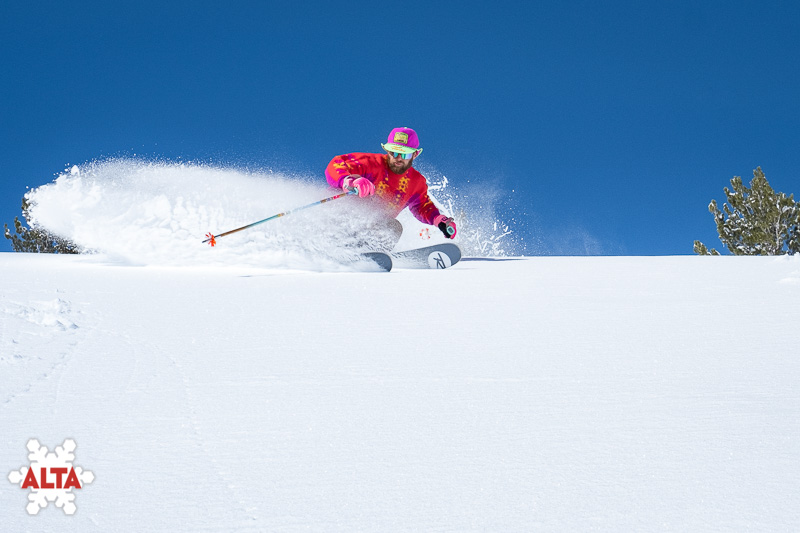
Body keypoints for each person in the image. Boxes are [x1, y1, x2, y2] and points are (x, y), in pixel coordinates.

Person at [324, 127, 457, 246]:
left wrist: (439, 219)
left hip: (369, 229)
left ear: (415, 155)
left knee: (393, 228)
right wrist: (349, 180)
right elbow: (336, 164)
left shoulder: (416, 182)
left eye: (404, 154)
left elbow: (423, 206)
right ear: (387, 150)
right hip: (337, 218)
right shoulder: (371, 163)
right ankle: (328, 242)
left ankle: (369, 255)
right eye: (394, 152)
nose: (398, 158)